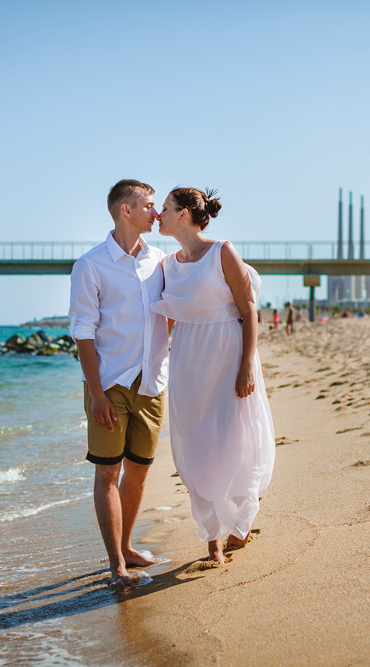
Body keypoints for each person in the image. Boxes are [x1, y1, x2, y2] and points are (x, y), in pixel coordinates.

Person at [152, 187, 275, 564]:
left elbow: (249, 308)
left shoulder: (222, 250)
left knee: (236, 439)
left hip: (228, 353)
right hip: (188, 360)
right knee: (196, 443)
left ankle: (238, 526)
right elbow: (164, 318)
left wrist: (246, 365)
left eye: (166, 208)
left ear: (184, 214)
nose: (158, 214)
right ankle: (211, 539)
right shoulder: (166, 264)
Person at [69, 179, 170, 588]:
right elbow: (83, 331)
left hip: (152, 385)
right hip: (109, 384)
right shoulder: (90, 265)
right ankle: (117, 564)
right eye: (148, 205)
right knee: (108, 473)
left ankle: (127, 546)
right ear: (124, 210)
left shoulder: (160, 260)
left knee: (140, 472)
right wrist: (96, 393)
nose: (155, 212)